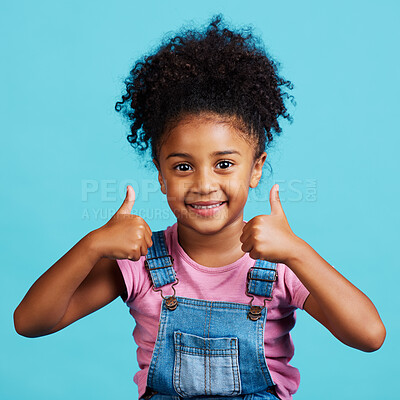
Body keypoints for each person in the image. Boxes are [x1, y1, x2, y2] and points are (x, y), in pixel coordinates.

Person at [13, 14, 386, 400]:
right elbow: (30, 322)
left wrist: (298, 251)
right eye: (183, 167)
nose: (204, 185)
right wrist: (92, 245)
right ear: (160, 174)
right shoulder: (139, 265)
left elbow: (370, 336)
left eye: (224, 164)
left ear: (256, 168)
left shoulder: (282, 267)